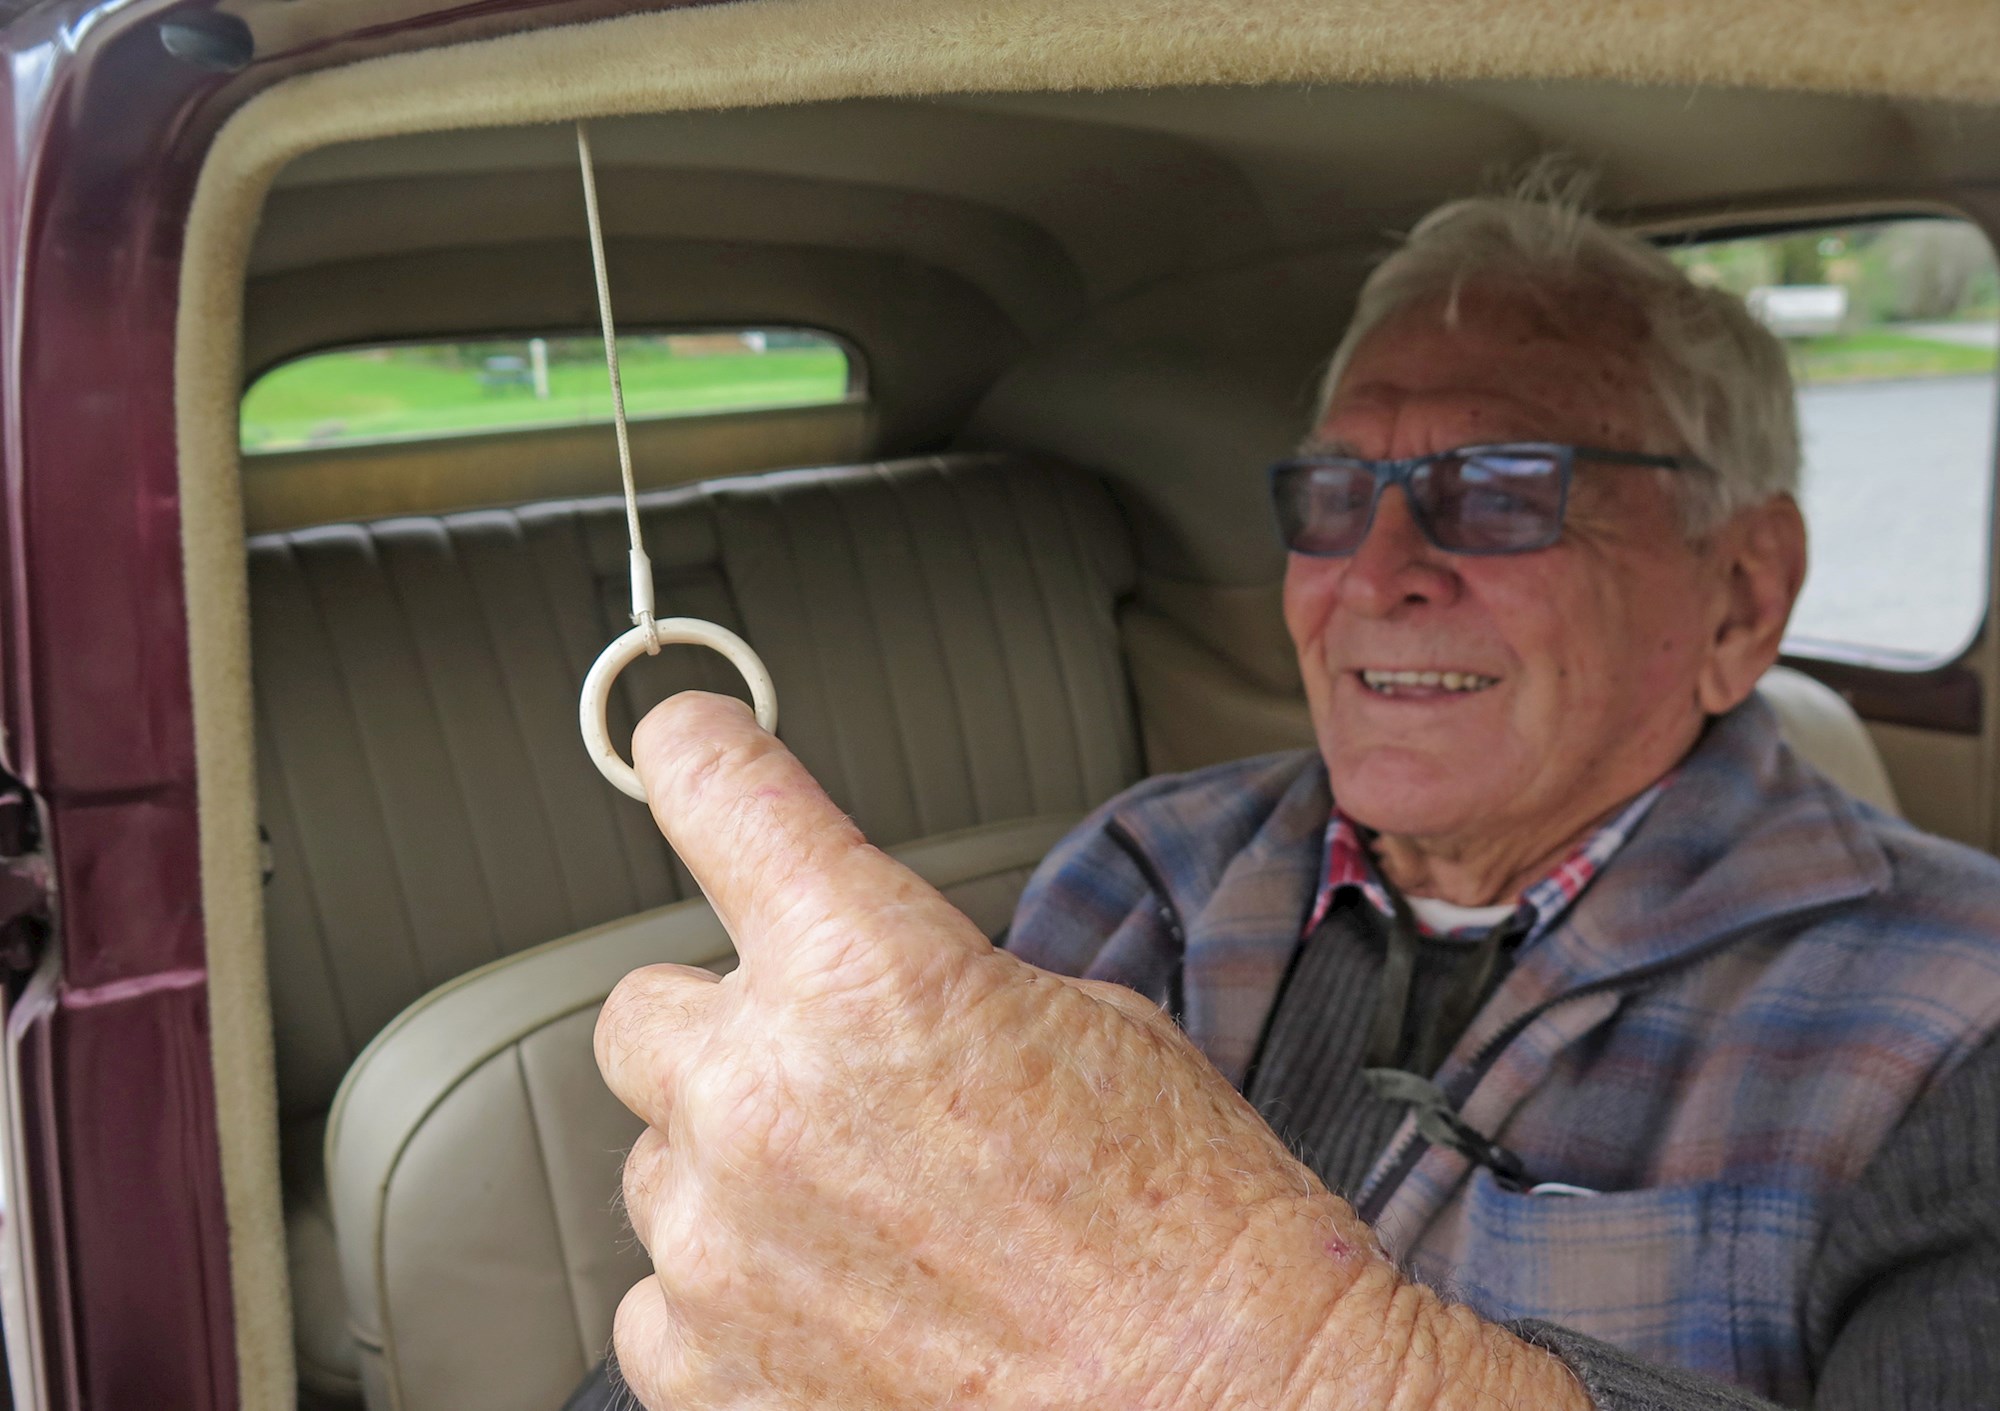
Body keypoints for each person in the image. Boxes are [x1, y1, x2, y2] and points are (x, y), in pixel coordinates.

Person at [583, 188, 2000, 1411]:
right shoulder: (1148, 867)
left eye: (1497, 490)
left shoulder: (1955, 1023)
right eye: (1335, 493)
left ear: (1742, 595)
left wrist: (1264, 1363)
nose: (1375, 572)